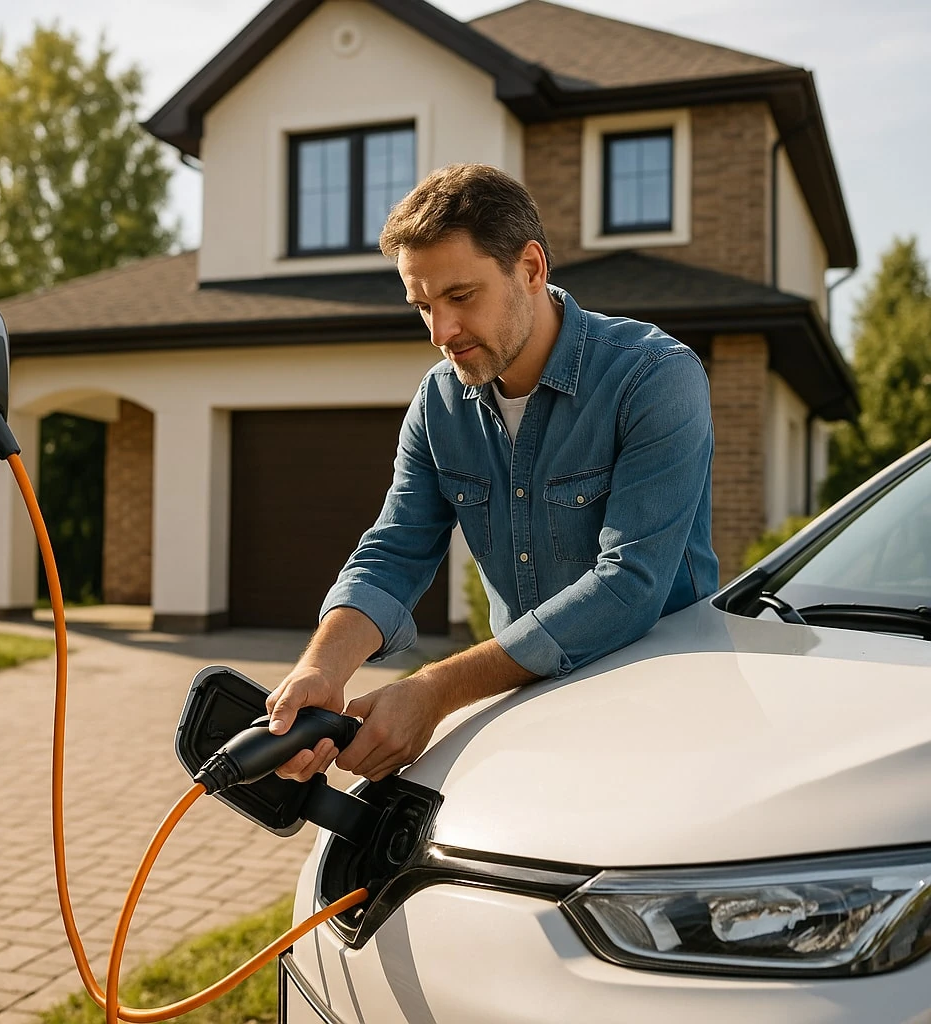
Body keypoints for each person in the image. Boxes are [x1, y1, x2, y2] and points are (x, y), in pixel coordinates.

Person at [265, 163, 719, 783]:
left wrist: (434, 691)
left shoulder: (654, 377)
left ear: (529, 269)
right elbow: (395, 551)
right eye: (422, 305)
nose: (441, 332)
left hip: (663, 720)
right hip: (529, 710)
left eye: (460, 296)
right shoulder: (438, 403)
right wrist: (322, 667)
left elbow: (628, 587)